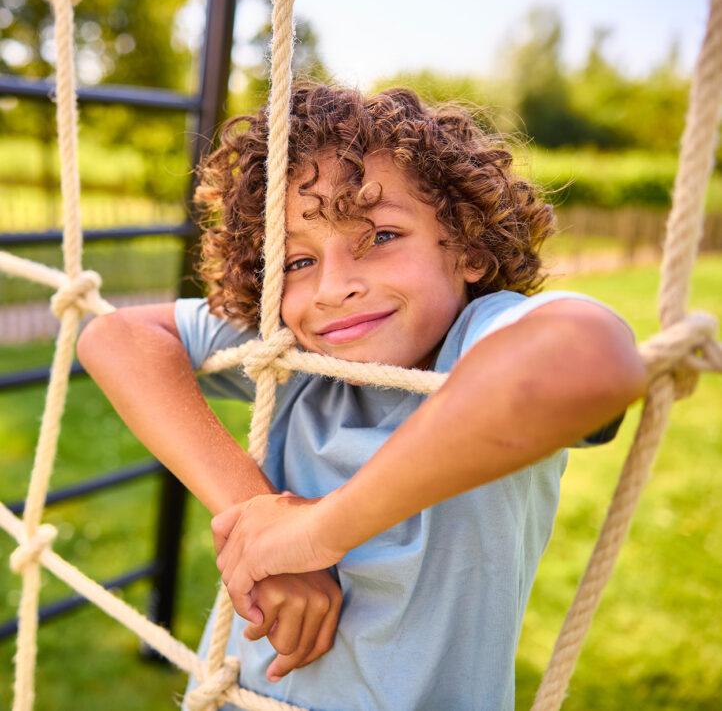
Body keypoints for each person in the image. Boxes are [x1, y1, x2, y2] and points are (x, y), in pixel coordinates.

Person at [77, 81, 647, 711]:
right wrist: (259, 519)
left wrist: (320, 532)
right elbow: (115, 334)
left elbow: (590, 360)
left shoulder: (479, 344)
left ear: (469, 248)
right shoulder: (298, 353)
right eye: (297, 262)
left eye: (379, 237)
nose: (333, 288)